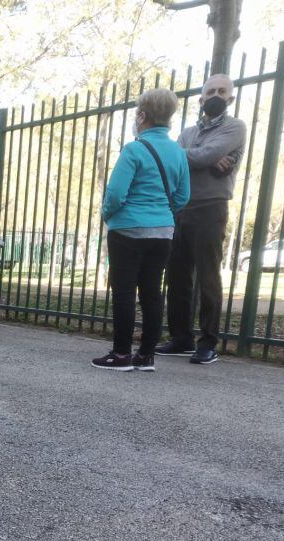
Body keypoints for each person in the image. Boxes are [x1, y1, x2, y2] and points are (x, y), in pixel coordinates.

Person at [93, 88, 190, 371]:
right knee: (151, 291)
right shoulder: (178, 152)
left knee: (124, 291)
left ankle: (121, 353)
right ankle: (146, 355)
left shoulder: (134, 149)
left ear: (143, 116)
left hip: (128, 230)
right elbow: (182, 197)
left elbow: (115, 194)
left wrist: (108, 215)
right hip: (162, 232)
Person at [157, 74, 248, 365]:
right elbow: (182, 160)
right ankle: (181, 337)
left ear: (231, 97)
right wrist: (202, 159)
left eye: (222, 91)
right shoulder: (187, 132)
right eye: (211, 91)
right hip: (181, 207)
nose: (216, 95)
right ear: (202, 98)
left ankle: (208, 342)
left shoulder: (235, 127)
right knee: (177, 274)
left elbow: (206, 154)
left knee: (208, 276)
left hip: (211, 207)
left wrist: (199, 157)